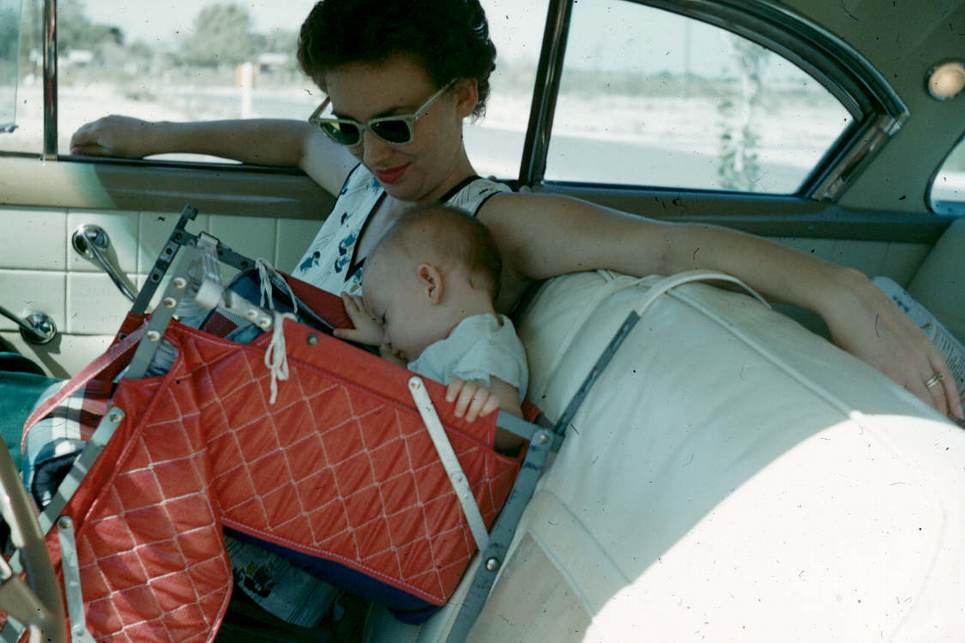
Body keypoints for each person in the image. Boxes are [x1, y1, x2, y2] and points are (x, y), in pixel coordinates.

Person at [65, 0, 963, 629]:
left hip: (309, 513)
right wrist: (149, 134)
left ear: (464, 96)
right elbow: (294, 140)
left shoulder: (486, 220)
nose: (371, 152)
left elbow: (664, 247)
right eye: (352, 126)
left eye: (395, 125)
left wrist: (834, 288)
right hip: (255, 462)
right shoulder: (369, 187)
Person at [336, 203, 527, 452]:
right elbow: (410, 387)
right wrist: (382, 343)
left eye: (385, 318)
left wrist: (480, 409)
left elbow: (514, 433)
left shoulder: (484, 345)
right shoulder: (449, 345)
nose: (388, 334)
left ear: (430, 284)